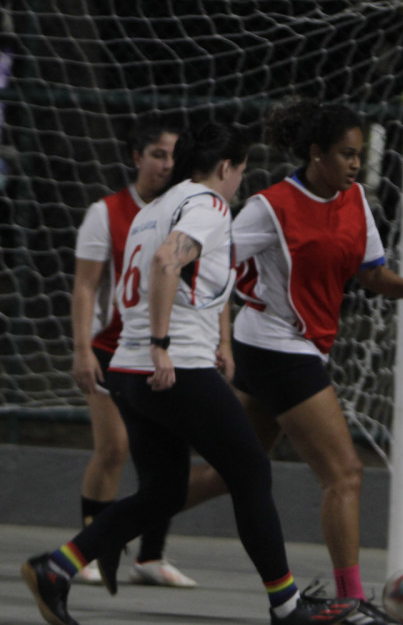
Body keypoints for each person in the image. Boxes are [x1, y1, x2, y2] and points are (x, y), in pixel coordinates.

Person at [21, 119, 358, 625]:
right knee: (251, 470)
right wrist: (162, 345)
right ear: (225, 167)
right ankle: (287, 606)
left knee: (163, 492)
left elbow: (172, 273)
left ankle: (56, 568)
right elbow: (166, 262)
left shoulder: (153, 208)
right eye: (240, 170)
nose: (239, 181)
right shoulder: (209, 205)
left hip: (129, 372)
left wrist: (205, 341)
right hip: (174, 367)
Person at [183, 99, 403, 625]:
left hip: (281, 349)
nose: (355, 164)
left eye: (359, 154)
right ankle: (349, 602)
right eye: (345, 154)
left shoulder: (354, 201)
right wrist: (195, 332)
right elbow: (213, 259)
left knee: (229, 473)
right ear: (316, 154)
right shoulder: (272, 206)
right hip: (277, 348)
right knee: (345, 473)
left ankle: (117, 525)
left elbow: (371, 274)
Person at [68, 117, 196, 589]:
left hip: (165, 350)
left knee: (166, 454)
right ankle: (90, 550)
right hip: (111, 348)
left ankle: (151, 556)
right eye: (158, 155)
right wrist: (82, 349)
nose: (166, 164)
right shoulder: (106, 213)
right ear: (137, 157)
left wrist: (221, 342)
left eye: (173, 156)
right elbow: (86, 286)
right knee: (114, 448)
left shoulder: (188, 213)